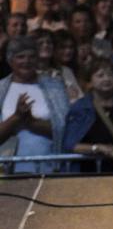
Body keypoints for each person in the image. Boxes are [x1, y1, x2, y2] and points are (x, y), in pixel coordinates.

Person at [0, 36, 71, 174]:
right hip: (6, 172)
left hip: (49, 168)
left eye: (32, 57)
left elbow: (67, 131)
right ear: (10, 61)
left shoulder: (55, 87)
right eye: (20, 57)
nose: (26, 61)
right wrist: (16, 117)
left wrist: (31, 121)